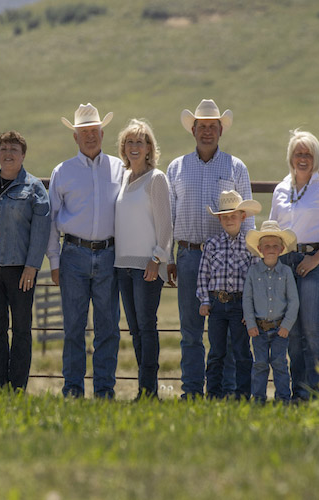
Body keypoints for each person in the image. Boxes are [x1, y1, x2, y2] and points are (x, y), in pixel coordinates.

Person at [166, 99, 254, 399]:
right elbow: (169, 216)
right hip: (189, 254)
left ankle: (225, 391)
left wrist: (251, 260)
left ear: (220, 131)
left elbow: (248, 219)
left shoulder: (236, 167)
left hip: (228, 259)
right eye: (201, 127)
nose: (207, 132)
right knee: (191, 330)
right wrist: (168, 257)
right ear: (193, 130)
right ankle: (192, 390)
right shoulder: (176, 167)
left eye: (212, 127)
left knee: (228, 331)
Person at [47, 103, 123, 399]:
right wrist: (54, 260)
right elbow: (51, 219)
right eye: (84, 132)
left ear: (103, 133)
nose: (90, 136)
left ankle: (104, 390)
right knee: (73, 328)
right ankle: (73, 390)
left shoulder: (119, 167)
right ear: (75, 137)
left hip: (109, 254)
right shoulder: (62, 172)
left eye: (94, 131)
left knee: (108, 328)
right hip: (74, 254)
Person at [270, 129, 319, 401]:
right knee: (292, 329)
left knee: (312, 326)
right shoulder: (281, 189)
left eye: (308, 154)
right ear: (290, 157)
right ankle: (299, 391)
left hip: (316, 259)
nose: (302, 158)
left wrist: (315, 260)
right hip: (286, 262)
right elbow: (273, 230)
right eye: (298, 153)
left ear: (316, 158)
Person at [0, 130, 50, 391]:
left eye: (14, 150)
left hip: (20, 269)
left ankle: (17, 386)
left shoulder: (34, 187)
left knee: (22, 330)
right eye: (4, 149)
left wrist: (32, 266)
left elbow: (41, 229)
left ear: (23, 155)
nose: (8, 154)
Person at [114, 119, 172, 400]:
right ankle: (143, 389)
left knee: (147, 328)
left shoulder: (156, 179)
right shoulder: (123, 179)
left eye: (140, 141)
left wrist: (157, 259)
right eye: (130, 142)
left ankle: (149, 391)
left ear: (149, 147)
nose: (134, 147)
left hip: (147, 267)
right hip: (123, 266)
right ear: (123, 148)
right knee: (135, 330)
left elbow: (165, 226)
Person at [196, 191, 260, 399]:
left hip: (240, 305)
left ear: (243, 217)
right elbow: (203, 275)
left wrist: (251, 309)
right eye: (225, 216)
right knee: (216, 351)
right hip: (216, 305)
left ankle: (243, 394)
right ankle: (213, 394)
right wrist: (205, 300)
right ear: (220, 219)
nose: (229, 220)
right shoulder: (212, 245)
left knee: (242, 351)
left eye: (234, 216)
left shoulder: (251, 246)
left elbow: (254, 281)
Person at [243, 220, 299, 403]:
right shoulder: (253, 272)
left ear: (282, 248)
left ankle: (283, 398)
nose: (271, 248)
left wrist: (287, 325)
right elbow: (247, 299)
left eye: (275, 245)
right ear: (259, 249)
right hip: (258, 329)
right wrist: (250, 323)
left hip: (279, 328)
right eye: (267, 245)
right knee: (259, 364)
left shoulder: (286, 273)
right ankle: (258, 398)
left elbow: (293, 301)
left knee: (280, 363)